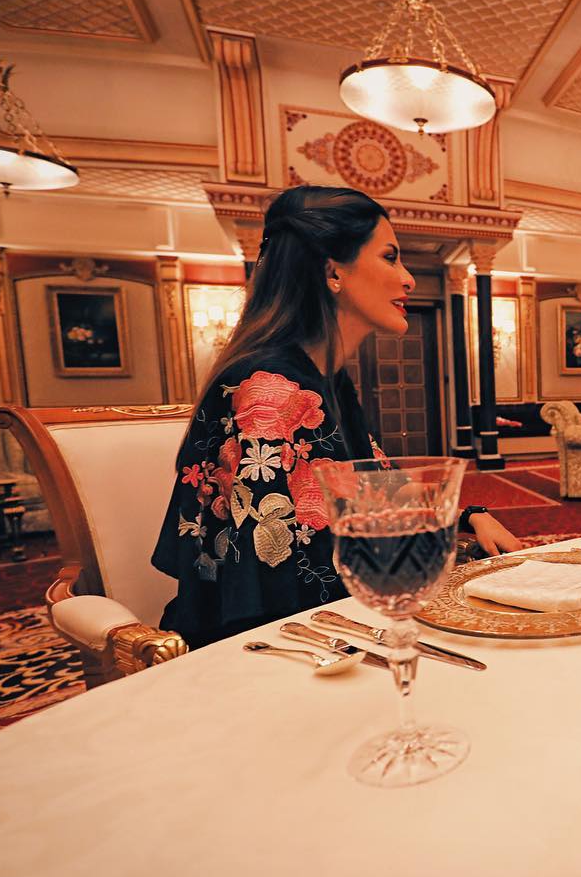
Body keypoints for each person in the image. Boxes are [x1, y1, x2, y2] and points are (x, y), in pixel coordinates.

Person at [151, 185, 521, 648]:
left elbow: (370, 487)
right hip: (271, 649)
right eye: (390, 258)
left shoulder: (324, 378)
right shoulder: (271, 386)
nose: (408, 279)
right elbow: (273, 576)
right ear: (332, 271)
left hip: (326, 625)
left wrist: (467, 515)